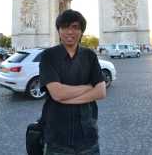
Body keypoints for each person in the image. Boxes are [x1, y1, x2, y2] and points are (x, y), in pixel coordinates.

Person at [39, 9, 106, 155]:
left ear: (82, 31)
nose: (70, 32)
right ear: (58, 30)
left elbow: (101, 91)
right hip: (58, 139)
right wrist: (88, 87)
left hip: (88, 138)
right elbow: (57, 93)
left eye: (75, 27)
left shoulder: (90, 55)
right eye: (65, 27)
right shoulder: (48, 56)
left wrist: (67, 99)